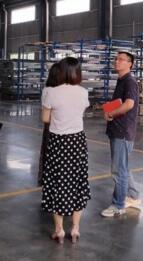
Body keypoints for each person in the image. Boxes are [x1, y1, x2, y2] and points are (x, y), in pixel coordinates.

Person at [41, 57, 91, 244]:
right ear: (78, 73)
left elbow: (45, 119)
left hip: (58, 142)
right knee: (78, 182)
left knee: (57, 183)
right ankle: (75, 229)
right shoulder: (83, 92)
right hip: (77, 141)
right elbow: (79, 114)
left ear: (61, 71)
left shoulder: (51, 92)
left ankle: (59, 230)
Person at [101, 51, 141, 218]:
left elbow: (129, 104)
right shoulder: (121, 80)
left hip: (122, 131)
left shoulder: (130, 81)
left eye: (121, 60)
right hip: (117, 129)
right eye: (116, 59)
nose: (116, 61)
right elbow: (121, 103)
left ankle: (118, 205)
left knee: (118, 170)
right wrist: (109, 110)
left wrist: (112, 113)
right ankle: (133, 196)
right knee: (123, 167)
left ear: (130, 64)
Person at [38, 62, 61, 186]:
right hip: (56, 124)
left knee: (49, 151)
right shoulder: (53, 91)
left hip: (50, 125)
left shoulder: (47, 89)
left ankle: (48, 176)